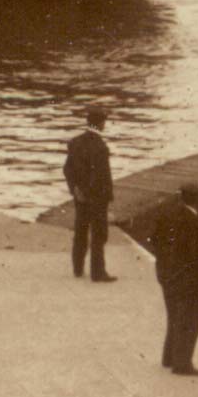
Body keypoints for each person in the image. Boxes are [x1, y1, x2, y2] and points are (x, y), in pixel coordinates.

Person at [150, 183, 198, 374]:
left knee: (174, 317)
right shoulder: (196, 223)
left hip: (167, 275)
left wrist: (164, 266)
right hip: (189, 279)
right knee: (190, 321)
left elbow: (155, 241)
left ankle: (169, 357)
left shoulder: (167, 216)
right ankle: (182, 363)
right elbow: (197, 256)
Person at [63, 106, 115, 282]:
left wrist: (76, 189)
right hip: (98, 198)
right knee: (99, 234)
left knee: (80, 231)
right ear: (101, 124)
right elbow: (102, 176)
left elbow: (68, 169)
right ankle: (97, 272)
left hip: (80, 197)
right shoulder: (101, 147)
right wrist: (108, 196)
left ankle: (78, 269)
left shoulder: (75, 142)